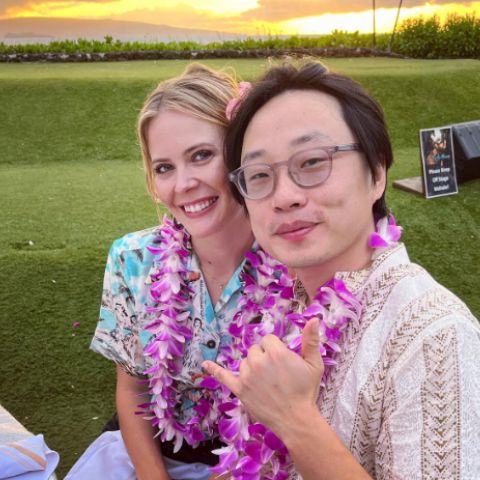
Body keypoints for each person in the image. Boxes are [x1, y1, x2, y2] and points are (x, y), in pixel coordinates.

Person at [203, 62, 480, 479]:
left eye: (313, 162)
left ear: (377, 175)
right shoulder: (287, 298)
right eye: (259, 175)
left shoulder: (434, 335)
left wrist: (296, 421)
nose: (285, 196)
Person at [66, 63, 255, 480]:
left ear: (243, 154)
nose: (183, 183)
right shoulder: (132, 259)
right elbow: (133, 392)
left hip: (260, 463)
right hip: (149, 453)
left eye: (201, 156)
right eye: (164, 167)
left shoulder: (296, 264)